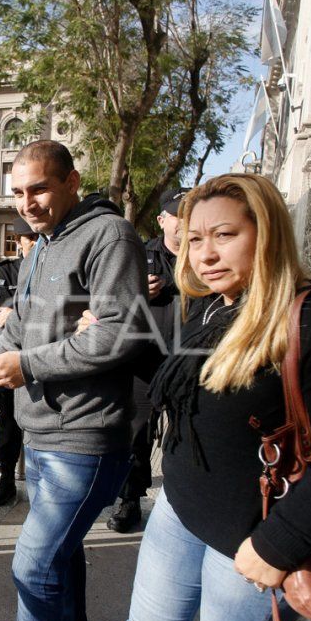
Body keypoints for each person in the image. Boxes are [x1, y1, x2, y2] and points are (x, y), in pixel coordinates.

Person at [108, 173, 311, 621]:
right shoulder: (213, 307)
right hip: (178, 513)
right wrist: (120, 340)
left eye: (224, 235)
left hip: (251, 543)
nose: (206, 254)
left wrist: (277, 547)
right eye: (195, 239)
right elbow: (193, 388)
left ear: (266, 233)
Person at [0, 140, 146, 621]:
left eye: (38, 188)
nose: (26, 203)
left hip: (85, 437)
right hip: (39, 433)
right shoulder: (39, 246)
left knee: (33, 565)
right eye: (17, 192)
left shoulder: (108, 235)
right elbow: (15, 331)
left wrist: (29, 367)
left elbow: (119, 337)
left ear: (71, 182)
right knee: (60, 552)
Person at [108, 186, 189, 533]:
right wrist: (138, 289)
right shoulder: (140, 254)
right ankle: (130, 498)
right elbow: (109, 300)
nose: (184, 223)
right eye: (178, 215)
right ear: (162, 219)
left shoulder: (205, 256)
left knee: (189, 431)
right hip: (143, 360)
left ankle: (185, 499)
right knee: (136, 432)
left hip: (190, 363)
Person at [0, 214, 38, 505]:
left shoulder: (52, 268)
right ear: (18, 241)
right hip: (9, 358)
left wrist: (20, 313)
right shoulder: (7, 270)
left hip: (40, 359)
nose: (31, 244)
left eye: (36, 237)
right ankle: (6, 478)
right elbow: (2, 313)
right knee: (8, 423)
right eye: (26, 238)